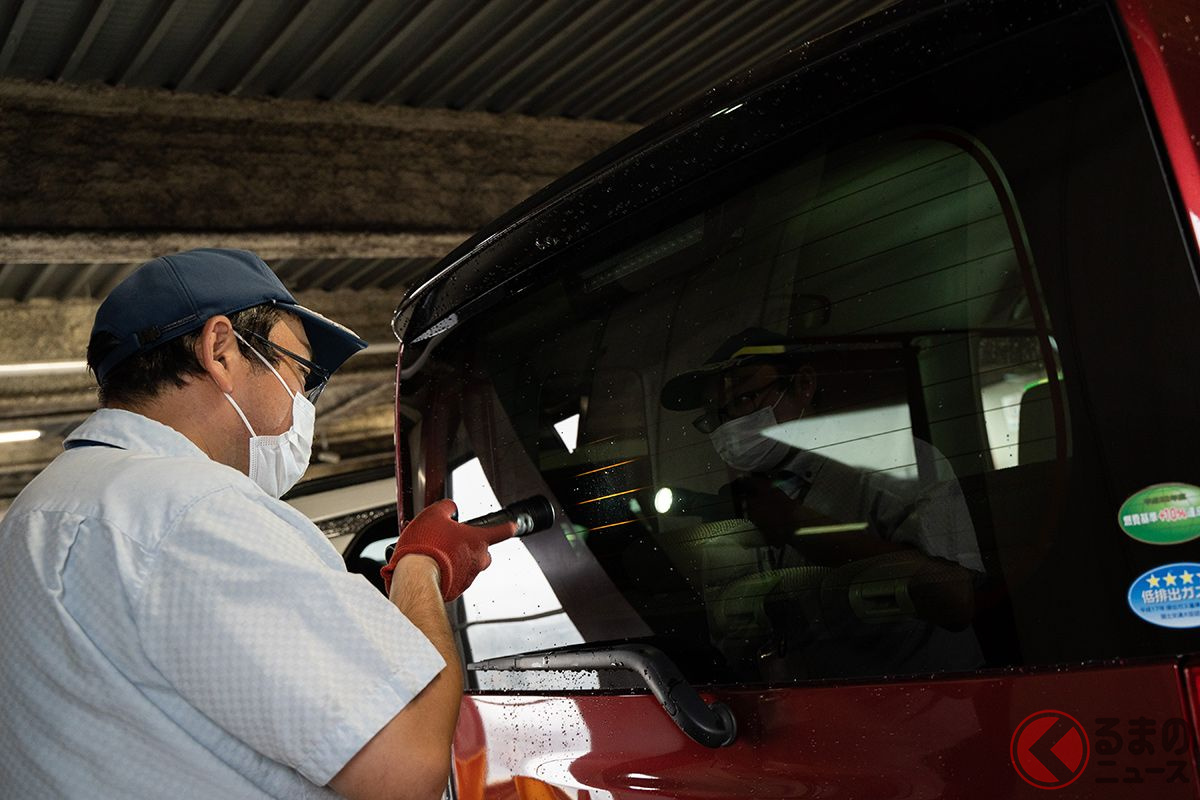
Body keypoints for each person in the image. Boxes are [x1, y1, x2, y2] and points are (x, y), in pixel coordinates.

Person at [0, 248, 513, 799]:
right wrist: (420, 565)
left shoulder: (33, 514)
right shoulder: (194, 511)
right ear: (221, 352)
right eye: (301, 372)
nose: (304, 402)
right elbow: (407, 769)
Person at [660, 327, 984, 676]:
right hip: (805, 706)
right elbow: (732, 644)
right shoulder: (734, 516)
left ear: (803, 384)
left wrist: (798, 525)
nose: (730, 427)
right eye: (715, 416)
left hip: (928, 698)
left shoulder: (899, 465)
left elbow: (955, 600)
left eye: (743, 398)